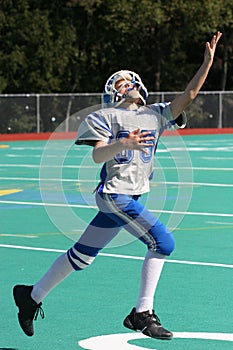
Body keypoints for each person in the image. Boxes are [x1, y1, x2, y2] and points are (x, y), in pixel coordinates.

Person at [13, 31, 222, 339]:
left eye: (130, 80)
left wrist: (207, 63)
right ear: (114, 94)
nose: (128, 85)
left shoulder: (157, 114)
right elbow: (98, 155)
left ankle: (31, 296)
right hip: (115, 195)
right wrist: (123, 141)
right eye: (121, 83)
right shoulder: (105, 117)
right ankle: (142, 313)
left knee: (82, 256)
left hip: (130, 196)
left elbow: (189, 95)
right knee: (163, 242)